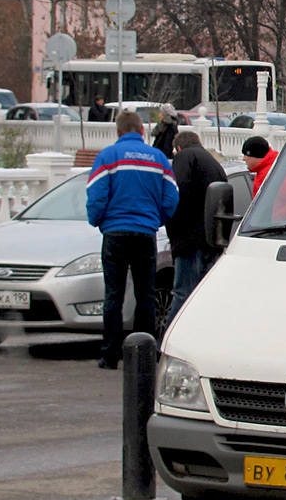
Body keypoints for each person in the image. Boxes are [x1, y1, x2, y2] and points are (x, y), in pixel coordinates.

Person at [86, 110, 179, 370]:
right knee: (145, 294)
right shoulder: (158, 159)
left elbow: (96, 197)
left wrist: (99, 221)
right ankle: (142, 355)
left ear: (118, 132)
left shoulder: (107, 157)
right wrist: (155, 219)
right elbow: (171, 197)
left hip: (115, 233)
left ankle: (110, 354)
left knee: (113, 295)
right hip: (145, 233)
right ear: (141, 131)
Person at [164, 131, 227, 330]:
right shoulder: (214, 164)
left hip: (189, 239)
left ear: (179, 148)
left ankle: (167, 341)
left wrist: (172, 229)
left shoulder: (185, 157)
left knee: (183, 294)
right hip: (212, 238)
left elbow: (178, 193)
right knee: (202, 297)